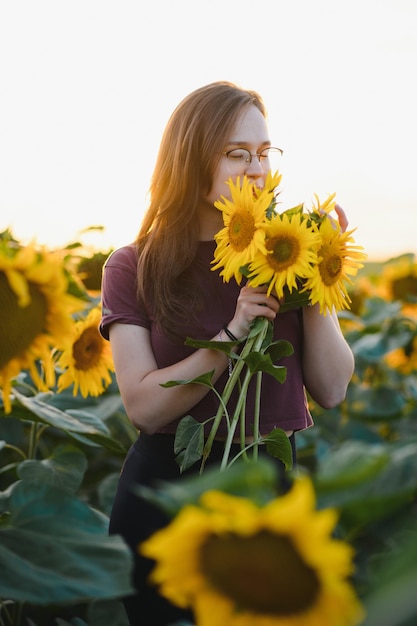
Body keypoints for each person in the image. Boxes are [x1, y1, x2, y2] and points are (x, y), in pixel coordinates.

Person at [99, 81, 355, 626]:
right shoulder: (133, 266)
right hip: (167, 489)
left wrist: (317, 272)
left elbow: (332, 389)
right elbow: (143, 406)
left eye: (264, 153)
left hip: (265, 480)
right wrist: (233, 334)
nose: (257, 169)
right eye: (237, 154)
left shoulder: (283, 251)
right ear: (190, 161)